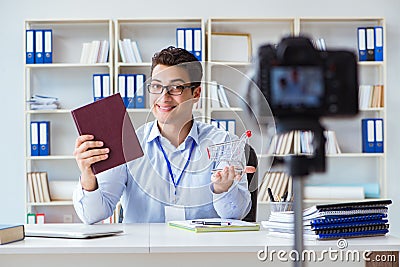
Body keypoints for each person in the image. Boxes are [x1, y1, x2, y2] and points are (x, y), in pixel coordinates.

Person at [73, 46, 255, 224]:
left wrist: (222, 188)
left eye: (176, 88)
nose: (164, 97)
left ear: (196, 93)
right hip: (143, 251)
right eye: (156, 86)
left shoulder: (224, 144)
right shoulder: (127, 144)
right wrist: (88, 177)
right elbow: (93, 215)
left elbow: (236, 216)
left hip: (201, 251)